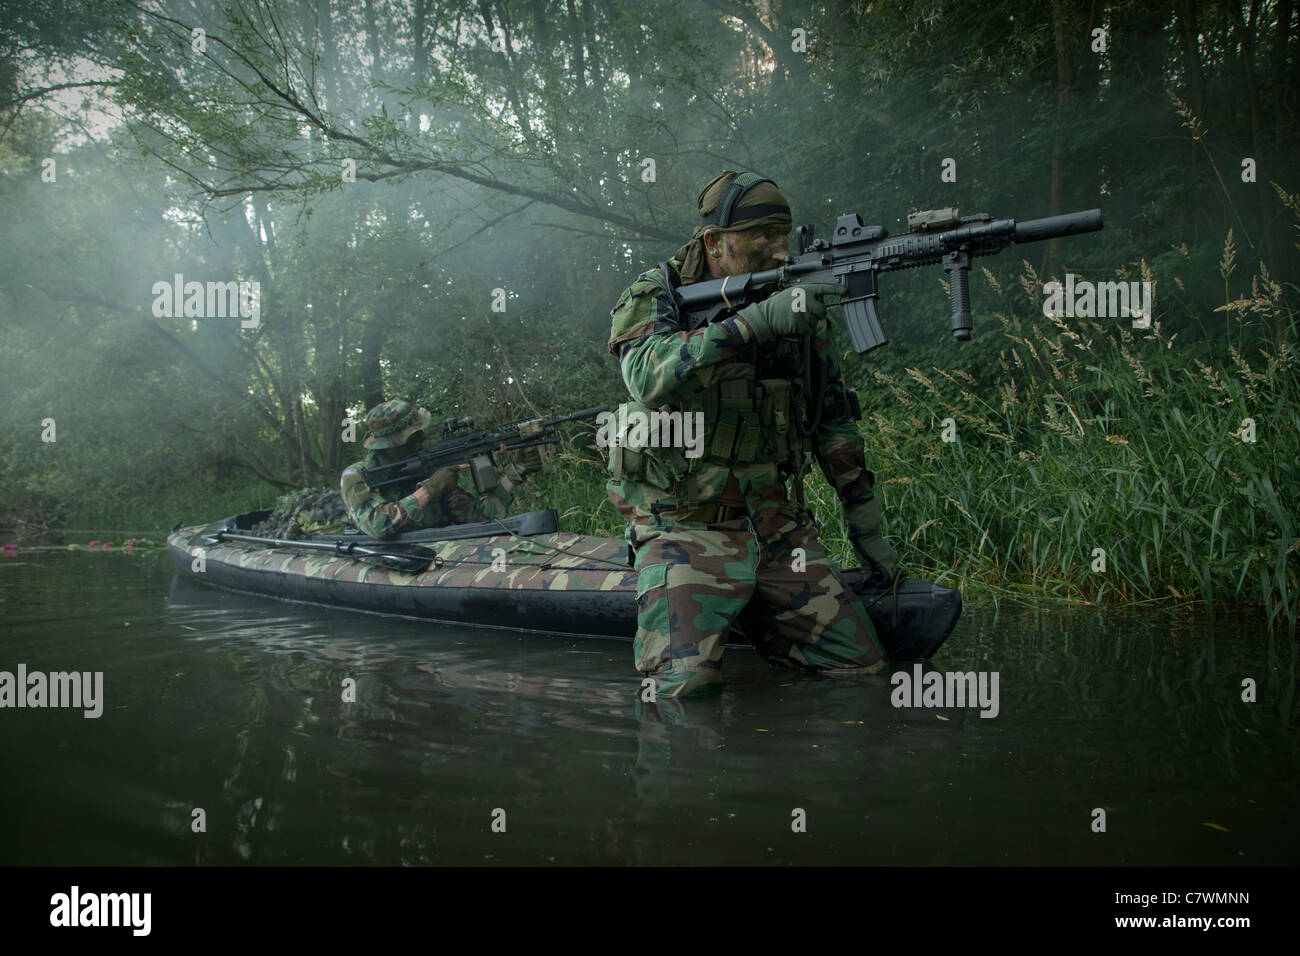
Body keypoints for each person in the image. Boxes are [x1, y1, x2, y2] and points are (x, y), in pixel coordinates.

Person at [604, 170, 900, 698]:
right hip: (684, 530)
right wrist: (753, 323)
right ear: (715, 243)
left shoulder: (796, 303)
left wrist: (865, 524)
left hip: (775, 530)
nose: (779, 251)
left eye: (782, 235)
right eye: (761, 237)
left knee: (860, 670)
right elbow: (646, 376)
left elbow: (832, 420)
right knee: (683, 690)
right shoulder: (657, 292)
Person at [340, 399, 539, 539]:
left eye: (421, 434)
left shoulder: (425, 467)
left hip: (436, 562)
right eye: (414, 437)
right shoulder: (357, 476)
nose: (421, 440)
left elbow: (479, 517)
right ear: (391, 445)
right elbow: (377, 525)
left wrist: (515, 473)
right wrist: (429, 490)